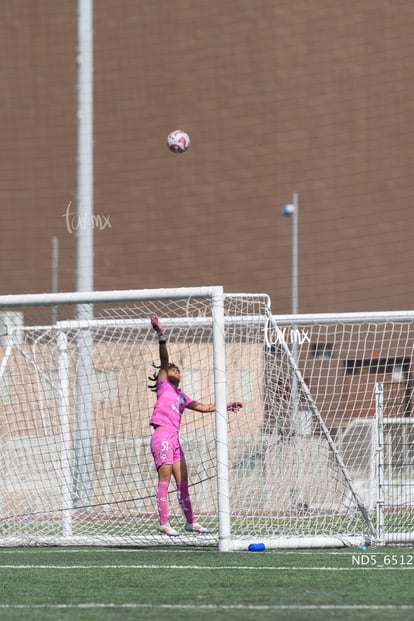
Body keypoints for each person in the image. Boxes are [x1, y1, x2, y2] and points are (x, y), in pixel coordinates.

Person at [149, 315, 242, 536]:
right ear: (164, 373)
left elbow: (202, 407)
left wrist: (226, 406)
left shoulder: (181, 395)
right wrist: (161, 336)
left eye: (178, 369)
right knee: (165, 480)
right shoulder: (164, 386)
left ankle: (191, 521)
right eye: (173, 369)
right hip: (162, 435)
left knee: (182, 481)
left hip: (175, 438)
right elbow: (164, 359)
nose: (177, 370)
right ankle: (164, 522)